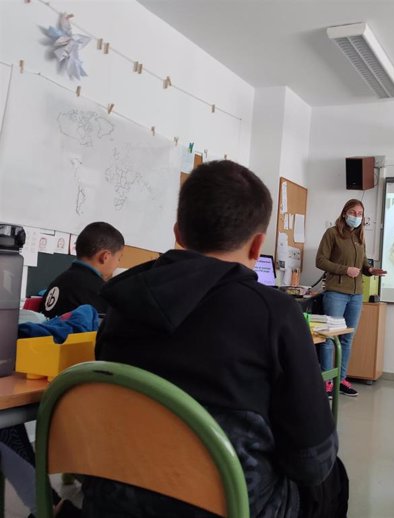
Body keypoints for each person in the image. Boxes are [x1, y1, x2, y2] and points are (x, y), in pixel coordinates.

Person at [83, 160, 348, 518]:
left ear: (177, 231)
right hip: (228, 506)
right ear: (257, 247)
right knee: (333, 479)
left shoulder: (120, 305)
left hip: (116, 504)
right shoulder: (276, 313)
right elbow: (312, 463)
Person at [315, 199, 386, 397]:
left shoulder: (360, 236)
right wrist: (345, 270)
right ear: (345, 212)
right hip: (336, 292)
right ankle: (327, 381)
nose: (357, 216)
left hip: (356, 295)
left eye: (360, 213)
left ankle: (341, 380)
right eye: (353, 212)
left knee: (348, 338)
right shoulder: (332, 233)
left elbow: (362, 264)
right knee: (330, 338)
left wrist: (370, 270)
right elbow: (320, 260)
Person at [40, 222, 124, 318]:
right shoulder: (101, 292)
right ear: (105, 257)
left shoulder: (58, 281)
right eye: (119, 258)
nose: (118, 263)